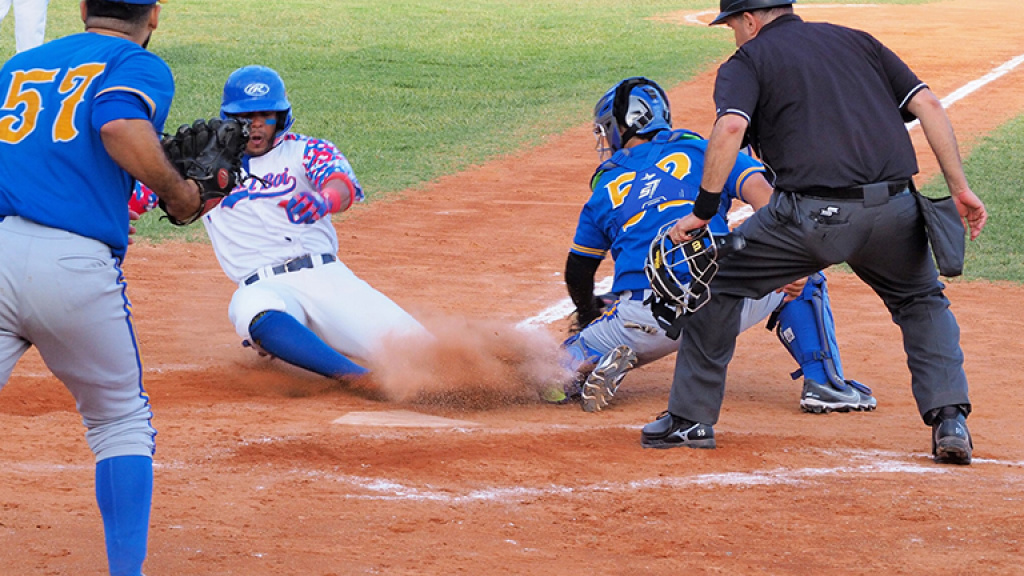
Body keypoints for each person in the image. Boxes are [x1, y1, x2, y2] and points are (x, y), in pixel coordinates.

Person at [641, 0, 987, 464]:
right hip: (897, 210)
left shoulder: (749, 60)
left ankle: (689, 420)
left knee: (717, 284)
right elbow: (927, 103)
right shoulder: (856, 40)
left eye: (733, 26)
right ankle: (950, 421)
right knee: (920, 300)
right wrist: (959, 188)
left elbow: (729, 129)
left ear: (749, 19)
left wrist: (703, 213)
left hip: (809, 220)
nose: (735, 35)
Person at [0, 0, 204, 574]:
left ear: (84, 8)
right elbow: (118, 122)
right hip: (73, 264)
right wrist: (177, 191)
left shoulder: (21, 66)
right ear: (155, 17)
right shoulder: (134, 62)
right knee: (118, 422)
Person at [545, 76, 874, 417]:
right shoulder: (704, 150)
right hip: (720, 300)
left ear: (622, 126)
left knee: (552, 371)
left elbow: (579, 270)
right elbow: (771, 203)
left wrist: (587, 314)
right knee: (804, 279)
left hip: (645, 318)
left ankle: (582, 365)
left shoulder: (607, 183)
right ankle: (824, 384)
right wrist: (798, 264)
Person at [191, 65, 427, 380]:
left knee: (424, 356)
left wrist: (323, 200)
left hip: (327, 279)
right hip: (263, 284)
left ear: (281, 117)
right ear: (229, 119)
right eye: (246, 117)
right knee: (252, 308)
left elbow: (340, 184)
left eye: (266, 115)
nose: (257, 124)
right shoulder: (200, 166)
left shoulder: (307, 151)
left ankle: (512, 348)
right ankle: (357, 379)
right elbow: (142, 192)